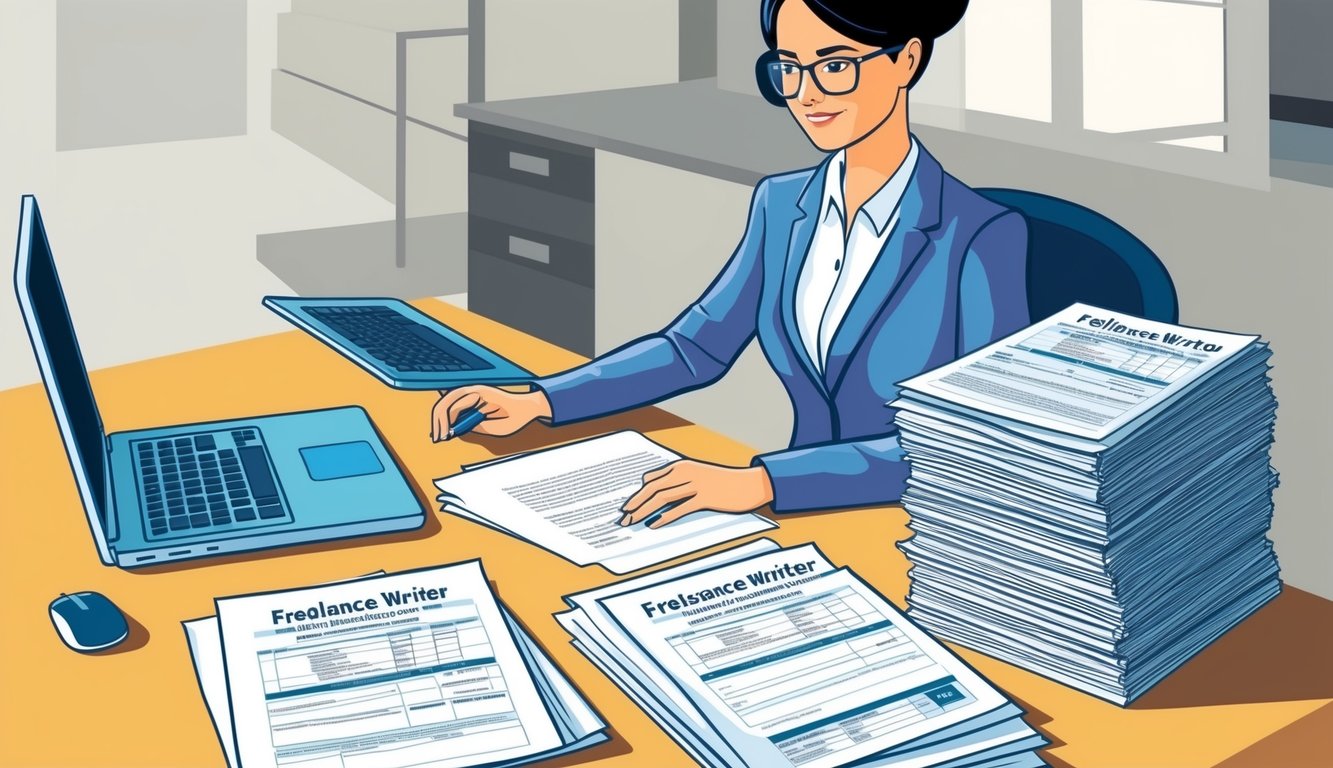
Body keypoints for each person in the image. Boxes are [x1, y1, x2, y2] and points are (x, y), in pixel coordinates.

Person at [432, 0, 1028, 528]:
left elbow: (974, 449)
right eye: (788, 68)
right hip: (797, 520)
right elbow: (695, 348)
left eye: (835, 65)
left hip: (921, 535)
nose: (806, 94)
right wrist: (540, 401)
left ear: (906, 60)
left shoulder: (979, 235)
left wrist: (763, 481)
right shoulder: (781, 204)